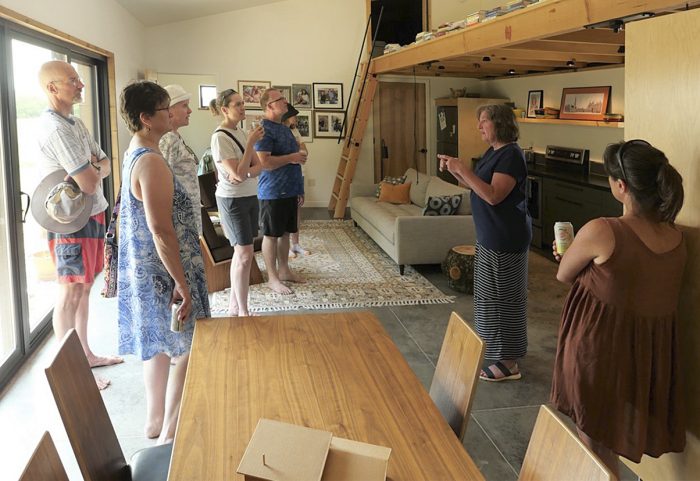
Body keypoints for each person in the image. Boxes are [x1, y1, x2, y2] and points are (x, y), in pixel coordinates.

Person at [550, 139, 686, 477]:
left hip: (598, 350)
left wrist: (565, 254)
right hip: (646, 355)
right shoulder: (676, 239)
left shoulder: (604, 230)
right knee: (609, 436)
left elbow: (564, 273)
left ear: (621, 186)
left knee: (593, 444)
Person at [117, 80, 210, 443]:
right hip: (165, 272)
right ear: (145, 118)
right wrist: (182, 284)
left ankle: (155, 421)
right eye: (164, 109)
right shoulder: (152, 162)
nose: (172, 113)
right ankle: (171, 434)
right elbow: (161, 230)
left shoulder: (135, 150)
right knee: (187, 347)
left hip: (150, 268)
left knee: (156, 345)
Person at [37, 60, 122, 390]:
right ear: (53, 88)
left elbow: (105, 161)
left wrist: (92, 168)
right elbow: (88, 181)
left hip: (91, 214)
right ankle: (71, 373)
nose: (81, 85)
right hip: (70, 221)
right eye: (73, 81)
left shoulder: (74, 122)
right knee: (70, 291)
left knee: (84, 288)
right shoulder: (55, 129)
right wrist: (91, 168)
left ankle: (86, 355)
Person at [437, 103, 531, 382]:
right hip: (490, 236)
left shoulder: (512, 155)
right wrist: (455, 170)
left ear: (499, 124)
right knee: (490, 298)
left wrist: (462, 169)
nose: (479, 126)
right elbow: (477, 185)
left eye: (484, 121)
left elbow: (493, 196)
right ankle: (500, 351)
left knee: (506, 300)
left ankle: (509, 363)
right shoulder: (495, 152)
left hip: (506, 238)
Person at [209, 89, 264, 316]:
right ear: (224, 110)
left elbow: (260, 167)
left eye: (243, 103)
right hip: (232, 200)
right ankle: (243, 310)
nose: (243, 108)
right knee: (243, 253)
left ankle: (234, 305)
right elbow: (239, 174)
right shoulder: (220, 137)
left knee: (244, 253)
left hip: (249, 196)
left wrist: (245, 172)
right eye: (237, 104)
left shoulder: (240, 132)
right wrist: (250, 145)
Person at [254, 88, 307, 295]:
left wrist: (299, 188)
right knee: (271, 235)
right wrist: (292, 157)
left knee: (285, 233)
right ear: (269, 106)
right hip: (273, 192)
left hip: (290, 189)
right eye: (281, 99)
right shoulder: (264, 130)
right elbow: (264, 162)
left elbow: (295, 158)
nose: (286, 102)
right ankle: (272, 278)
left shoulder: (285, 128)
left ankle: (284, 270)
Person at [160, 84, 202, 234]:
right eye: (185, 106)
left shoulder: (175, 137)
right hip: (178, 221)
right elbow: (163, 183)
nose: (190, 110)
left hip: (187, 217)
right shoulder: (168, 140)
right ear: (170, 110)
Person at [281, 104, 310, 258]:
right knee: (286, 211)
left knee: (297, 209)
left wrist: (296, 153)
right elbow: (287, 154)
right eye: (294, 116)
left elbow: (305, 153)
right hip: (285, 176)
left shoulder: (295, 131)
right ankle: (286, 247)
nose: (296, 119)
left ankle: (296, 244)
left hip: (299, 174)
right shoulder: (279, 132)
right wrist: (295, 153)